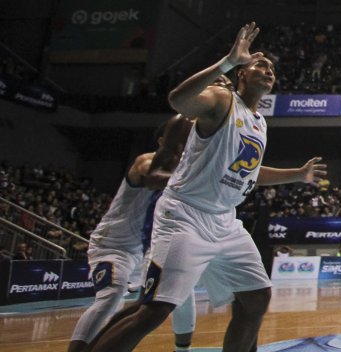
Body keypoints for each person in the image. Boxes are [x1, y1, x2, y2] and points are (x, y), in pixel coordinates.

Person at [90, 22, 327, 352]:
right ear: (241, 75)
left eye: (272, 68)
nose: (269, 69)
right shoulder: (221, 99)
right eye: (260, 64)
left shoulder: (259, 122)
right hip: (185, 216)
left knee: (256, 299)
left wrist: (298, 175)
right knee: (154, 312)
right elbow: (178, 99)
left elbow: (251, 173)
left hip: (226, 221)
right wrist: (228, 61)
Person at [69, 115, 195, 352]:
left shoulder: (188, 169)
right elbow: (152, 179)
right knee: (111, 294)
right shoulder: (145, 161)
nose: (186, 141)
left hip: (145, 248)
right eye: (181, 136)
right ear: (162, 141)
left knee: (176, 293)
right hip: (113, 244)